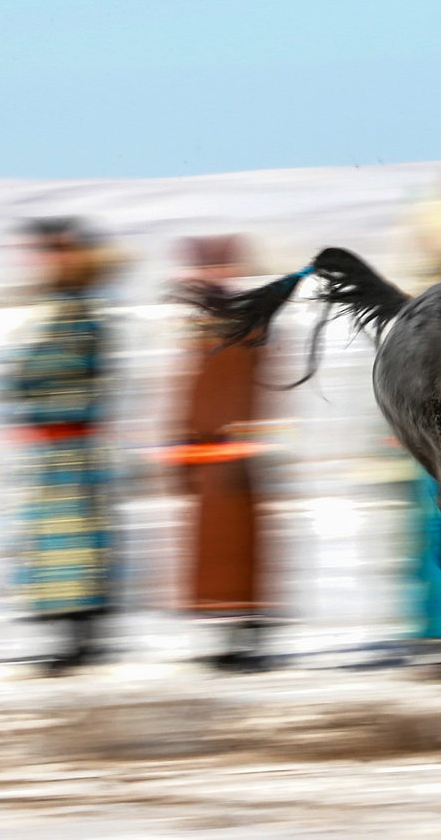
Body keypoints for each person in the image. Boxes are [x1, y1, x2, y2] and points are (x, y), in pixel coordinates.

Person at [3, 217, 116, 674]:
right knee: (58, 545)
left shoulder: (80, 311)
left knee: (74, 545)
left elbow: (58, 366)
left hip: (72, 446)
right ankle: (73, 638)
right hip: (54, 449)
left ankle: (81, 641)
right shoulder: (58, 309)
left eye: (55, 253)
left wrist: (28, 381)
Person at [170, 235, 276, 671]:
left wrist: (241, 437)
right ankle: (230, 637)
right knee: (215, 555)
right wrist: (181, 438)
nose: (209, 278)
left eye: (217, 268)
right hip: (208, 457)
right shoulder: (204, 326)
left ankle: (247, 640)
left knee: (238, 552)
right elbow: (191, 388)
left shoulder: (247, 322)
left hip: (235, 457)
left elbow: (252, 385)